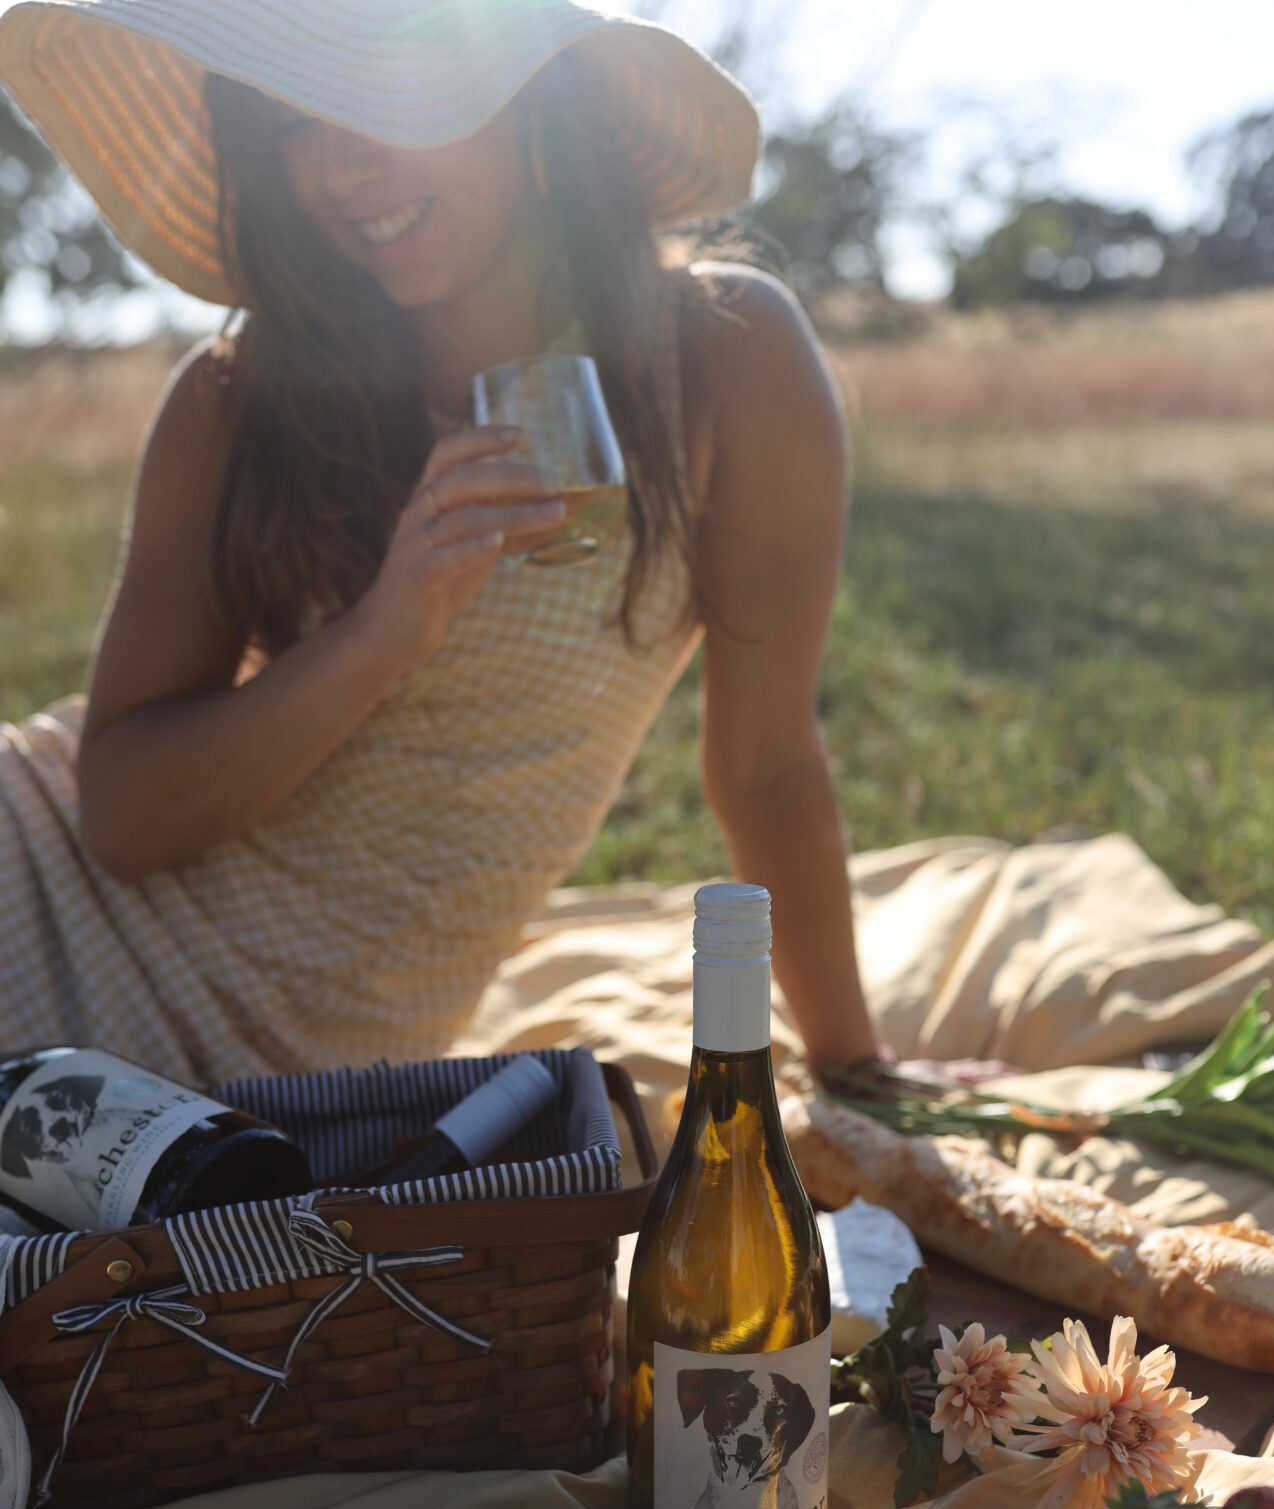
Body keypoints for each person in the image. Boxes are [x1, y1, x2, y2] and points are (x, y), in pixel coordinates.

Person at [0, 0, 876, 1090]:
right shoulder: (238, 402)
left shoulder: (720, 362)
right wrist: (381, 634)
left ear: (525, 104)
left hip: (318, 1084)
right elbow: (119, 817)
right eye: (295, 121)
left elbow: (765, 767)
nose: (341, 164)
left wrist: (856, 1071)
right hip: (39, 916)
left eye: (382, 99)